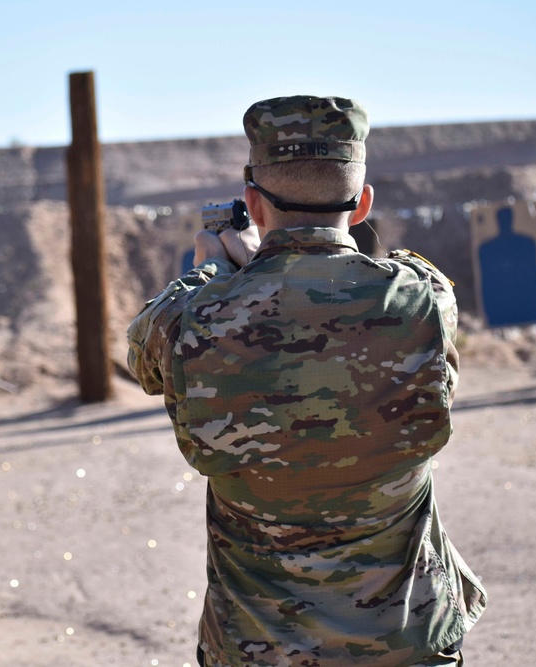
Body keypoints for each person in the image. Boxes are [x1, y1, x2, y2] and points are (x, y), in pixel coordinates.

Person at [127, 96, 487, 666]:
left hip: (257, 649)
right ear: (362, 202)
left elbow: (143, 355)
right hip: (408, 646)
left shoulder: (191, 320)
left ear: (252, 202)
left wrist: (212, 272)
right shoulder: (424, 299)